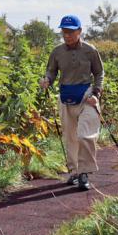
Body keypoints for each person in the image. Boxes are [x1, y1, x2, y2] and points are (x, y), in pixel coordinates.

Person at [39, 15, 104, 191]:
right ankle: (74, 172)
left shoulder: (90, 50)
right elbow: (51, 71)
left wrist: (96, 93)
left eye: (70, 31)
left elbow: (99, 73)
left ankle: (84, 173)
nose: (66, 35)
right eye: (64, 31)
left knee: (85, 136)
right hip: (65, 97)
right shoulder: (57, 52)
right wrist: (47, 80)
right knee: (70, 138)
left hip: (86, 96)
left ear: (79, 31)